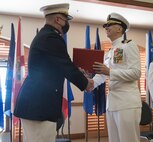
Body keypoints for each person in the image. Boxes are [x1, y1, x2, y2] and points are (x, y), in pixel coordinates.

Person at [13, 3, 93, 142]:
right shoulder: (51, 38)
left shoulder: (45, 36)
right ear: (58, 19)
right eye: (66, 19)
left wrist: (76, 71)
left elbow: (57, 66)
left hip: (36, 105)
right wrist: (86, 83)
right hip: (39, 107)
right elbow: (66, 66)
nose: (67, 23)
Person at [92, 13, 142, 142]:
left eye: (109, 25)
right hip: (112, 103)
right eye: (105, 26)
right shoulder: (109, 51)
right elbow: (103, 74)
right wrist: (90, 83)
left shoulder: (128, 45)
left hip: (127, 102)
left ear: (120, 29)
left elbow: (136, 73)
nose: (106, 28)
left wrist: (110, 72)